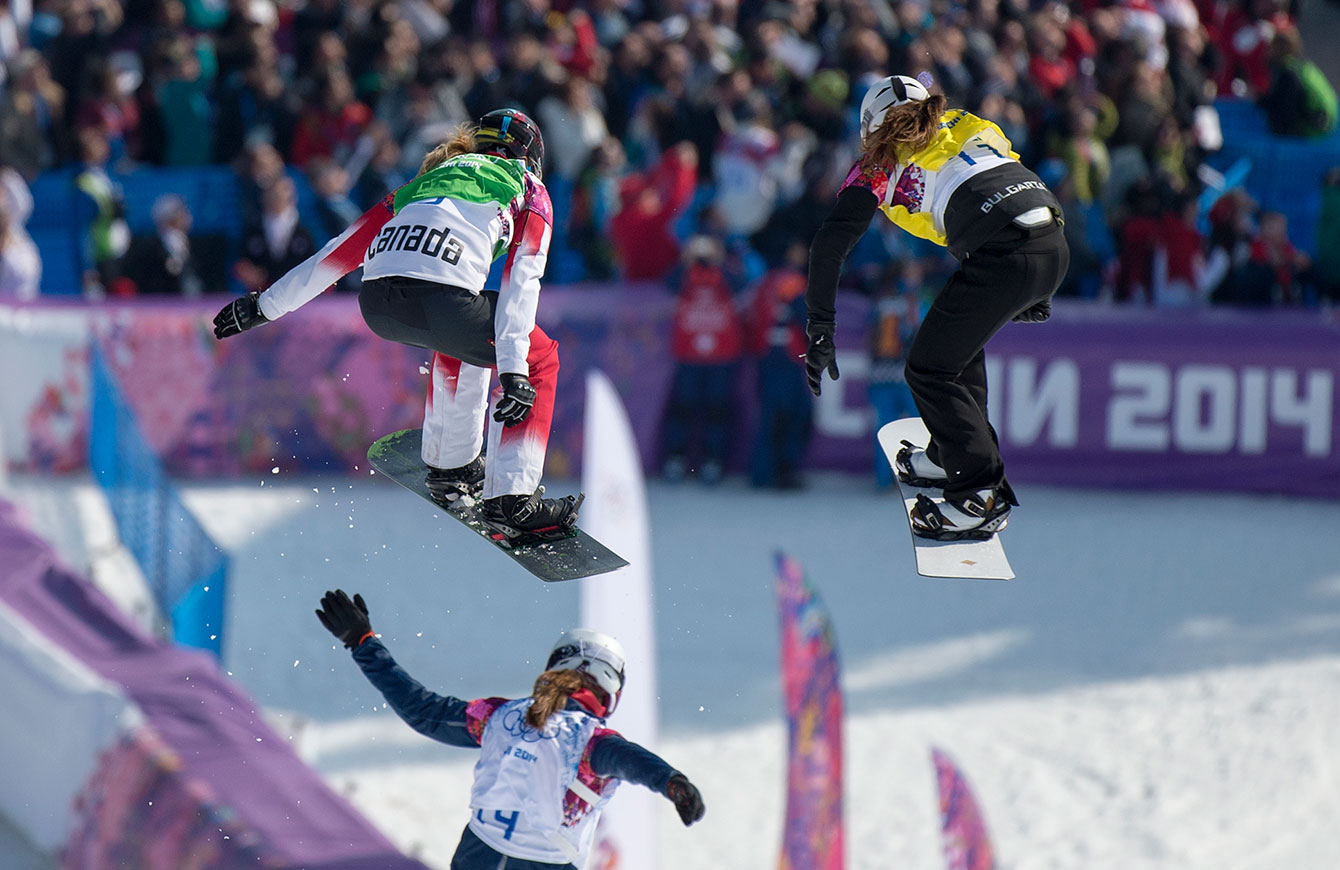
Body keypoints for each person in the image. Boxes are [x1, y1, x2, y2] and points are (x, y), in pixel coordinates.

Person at [213, 110, 579, 540]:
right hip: (444, 302)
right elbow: (523, 282)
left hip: (378, 303)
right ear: (532, 155)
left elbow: (342, 249)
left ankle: (450, 466)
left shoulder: (427, 179)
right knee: (537, 357)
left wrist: (264, 306)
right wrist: (516, 372)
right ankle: (513, 501)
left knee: (466, 334)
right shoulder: (529, 189)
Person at [804, 74, 1068, 540]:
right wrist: (1035, 287)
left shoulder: (878, 164)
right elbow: (1016, 188)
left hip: (1003, 253)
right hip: (1050, 240)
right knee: (957, 352)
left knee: (928, 369)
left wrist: (821, 325)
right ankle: (954, 454)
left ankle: (980, 493)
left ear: (871, 127)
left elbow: (829, 246)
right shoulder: (971, 123)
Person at [314, 589, 705, 870]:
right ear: (609, 689)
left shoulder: (500, 717)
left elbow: (423, 712)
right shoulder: (590, 740)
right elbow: (630, 761)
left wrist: (363, 642)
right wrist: (672, 782)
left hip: (478, 855)